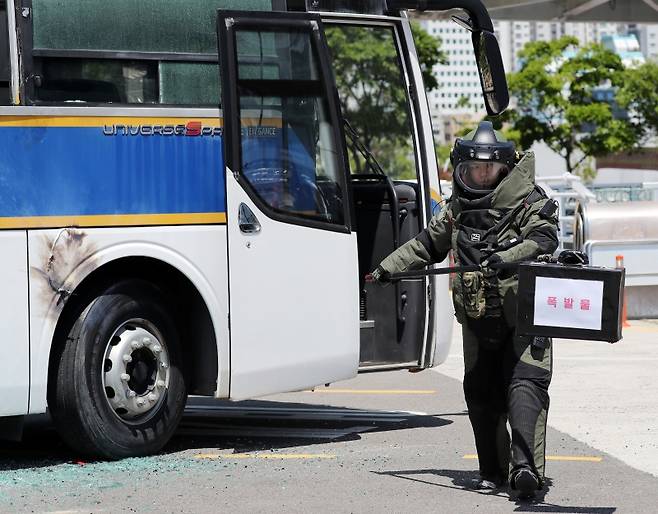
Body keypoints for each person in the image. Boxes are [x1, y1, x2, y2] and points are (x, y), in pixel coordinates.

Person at [369, 121, 559, 498]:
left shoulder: (529, 201)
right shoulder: (457, 209)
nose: (482, 174)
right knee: (480, 396)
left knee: (525, 390)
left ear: (505, 167)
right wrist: (386, 268)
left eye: (489, 168)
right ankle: (492, 470)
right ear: (463, 169)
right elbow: (425, 245)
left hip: (524, 318)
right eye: (475, 168)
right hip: (476, 319)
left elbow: (544, 237)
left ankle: (526, 471)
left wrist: (509, 256)